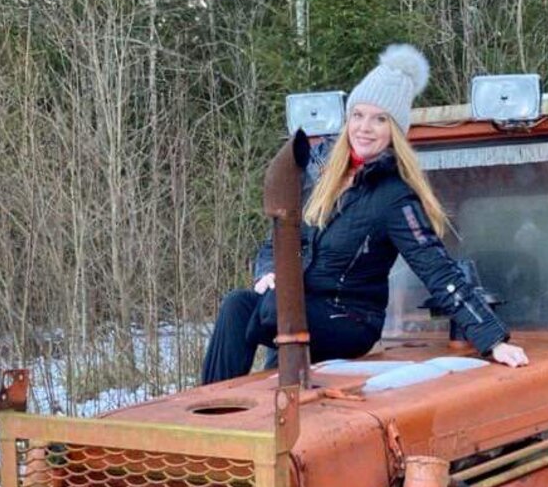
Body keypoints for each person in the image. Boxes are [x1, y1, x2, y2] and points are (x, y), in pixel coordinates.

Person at [200, 45, 529, 384]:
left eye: (379, 119)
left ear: (394, 131)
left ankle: (273, 375)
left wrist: (492, 339)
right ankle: (207, 404)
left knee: (272, 309)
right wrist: (268, 272)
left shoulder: (394, 196)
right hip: (294, 312)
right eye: (358, 115)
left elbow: (436, 268)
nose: (365, 127)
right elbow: (280, 239)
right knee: (237, 304)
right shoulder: (318, 176)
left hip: (349, 320)